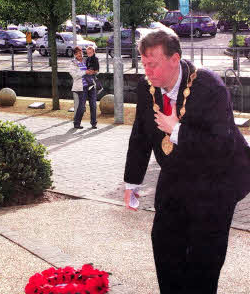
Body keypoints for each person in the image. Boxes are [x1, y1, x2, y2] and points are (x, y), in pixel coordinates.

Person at [123, 28, 250, 293]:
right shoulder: (147, 89)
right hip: (177, 174)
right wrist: (131, 183)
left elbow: (221, 144)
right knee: (164, 243)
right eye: (144, 63)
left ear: (174, 58)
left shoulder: (209, 86)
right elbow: (140, 136)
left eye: (153, 64)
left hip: (218, 178)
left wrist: (177, 130)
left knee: (203, 259)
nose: (147, 70)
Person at [69, 46, 97, 129]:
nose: (79, 55)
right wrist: (85, 72)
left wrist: (94, 71)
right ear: (74, 55)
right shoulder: (73, 63)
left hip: (91, 85)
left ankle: (94, 123)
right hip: (81, 88)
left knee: (93, 105)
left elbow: (95, 69)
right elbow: (74, 75)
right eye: (77, 53)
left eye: (80, 52)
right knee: (82, 106)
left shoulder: (87, 60)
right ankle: (76, 123)